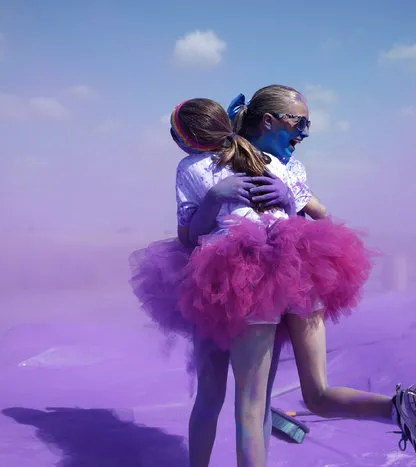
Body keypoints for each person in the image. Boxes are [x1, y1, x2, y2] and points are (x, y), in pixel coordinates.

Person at [181, 85, 416, 467]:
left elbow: (191, 235)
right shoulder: (260, 163)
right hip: (293, 272)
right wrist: (278, 200)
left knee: (248, 405)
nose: (306, 132)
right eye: (301, 122)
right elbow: (315, 214)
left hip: (251, 279)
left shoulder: (267, 165)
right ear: (269, 121)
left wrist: (287, 198)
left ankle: (399, 409)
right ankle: (399, 408)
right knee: (302, 396)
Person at [131, 96, 374, 466]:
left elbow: (189, 236)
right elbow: (302, 217)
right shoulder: (264, 162)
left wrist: (219, 199)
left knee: (223, 397)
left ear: (190, 137)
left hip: (222, 284)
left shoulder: (198, 166)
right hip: (271, 281)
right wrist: (230, 198)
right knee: (254, 403)